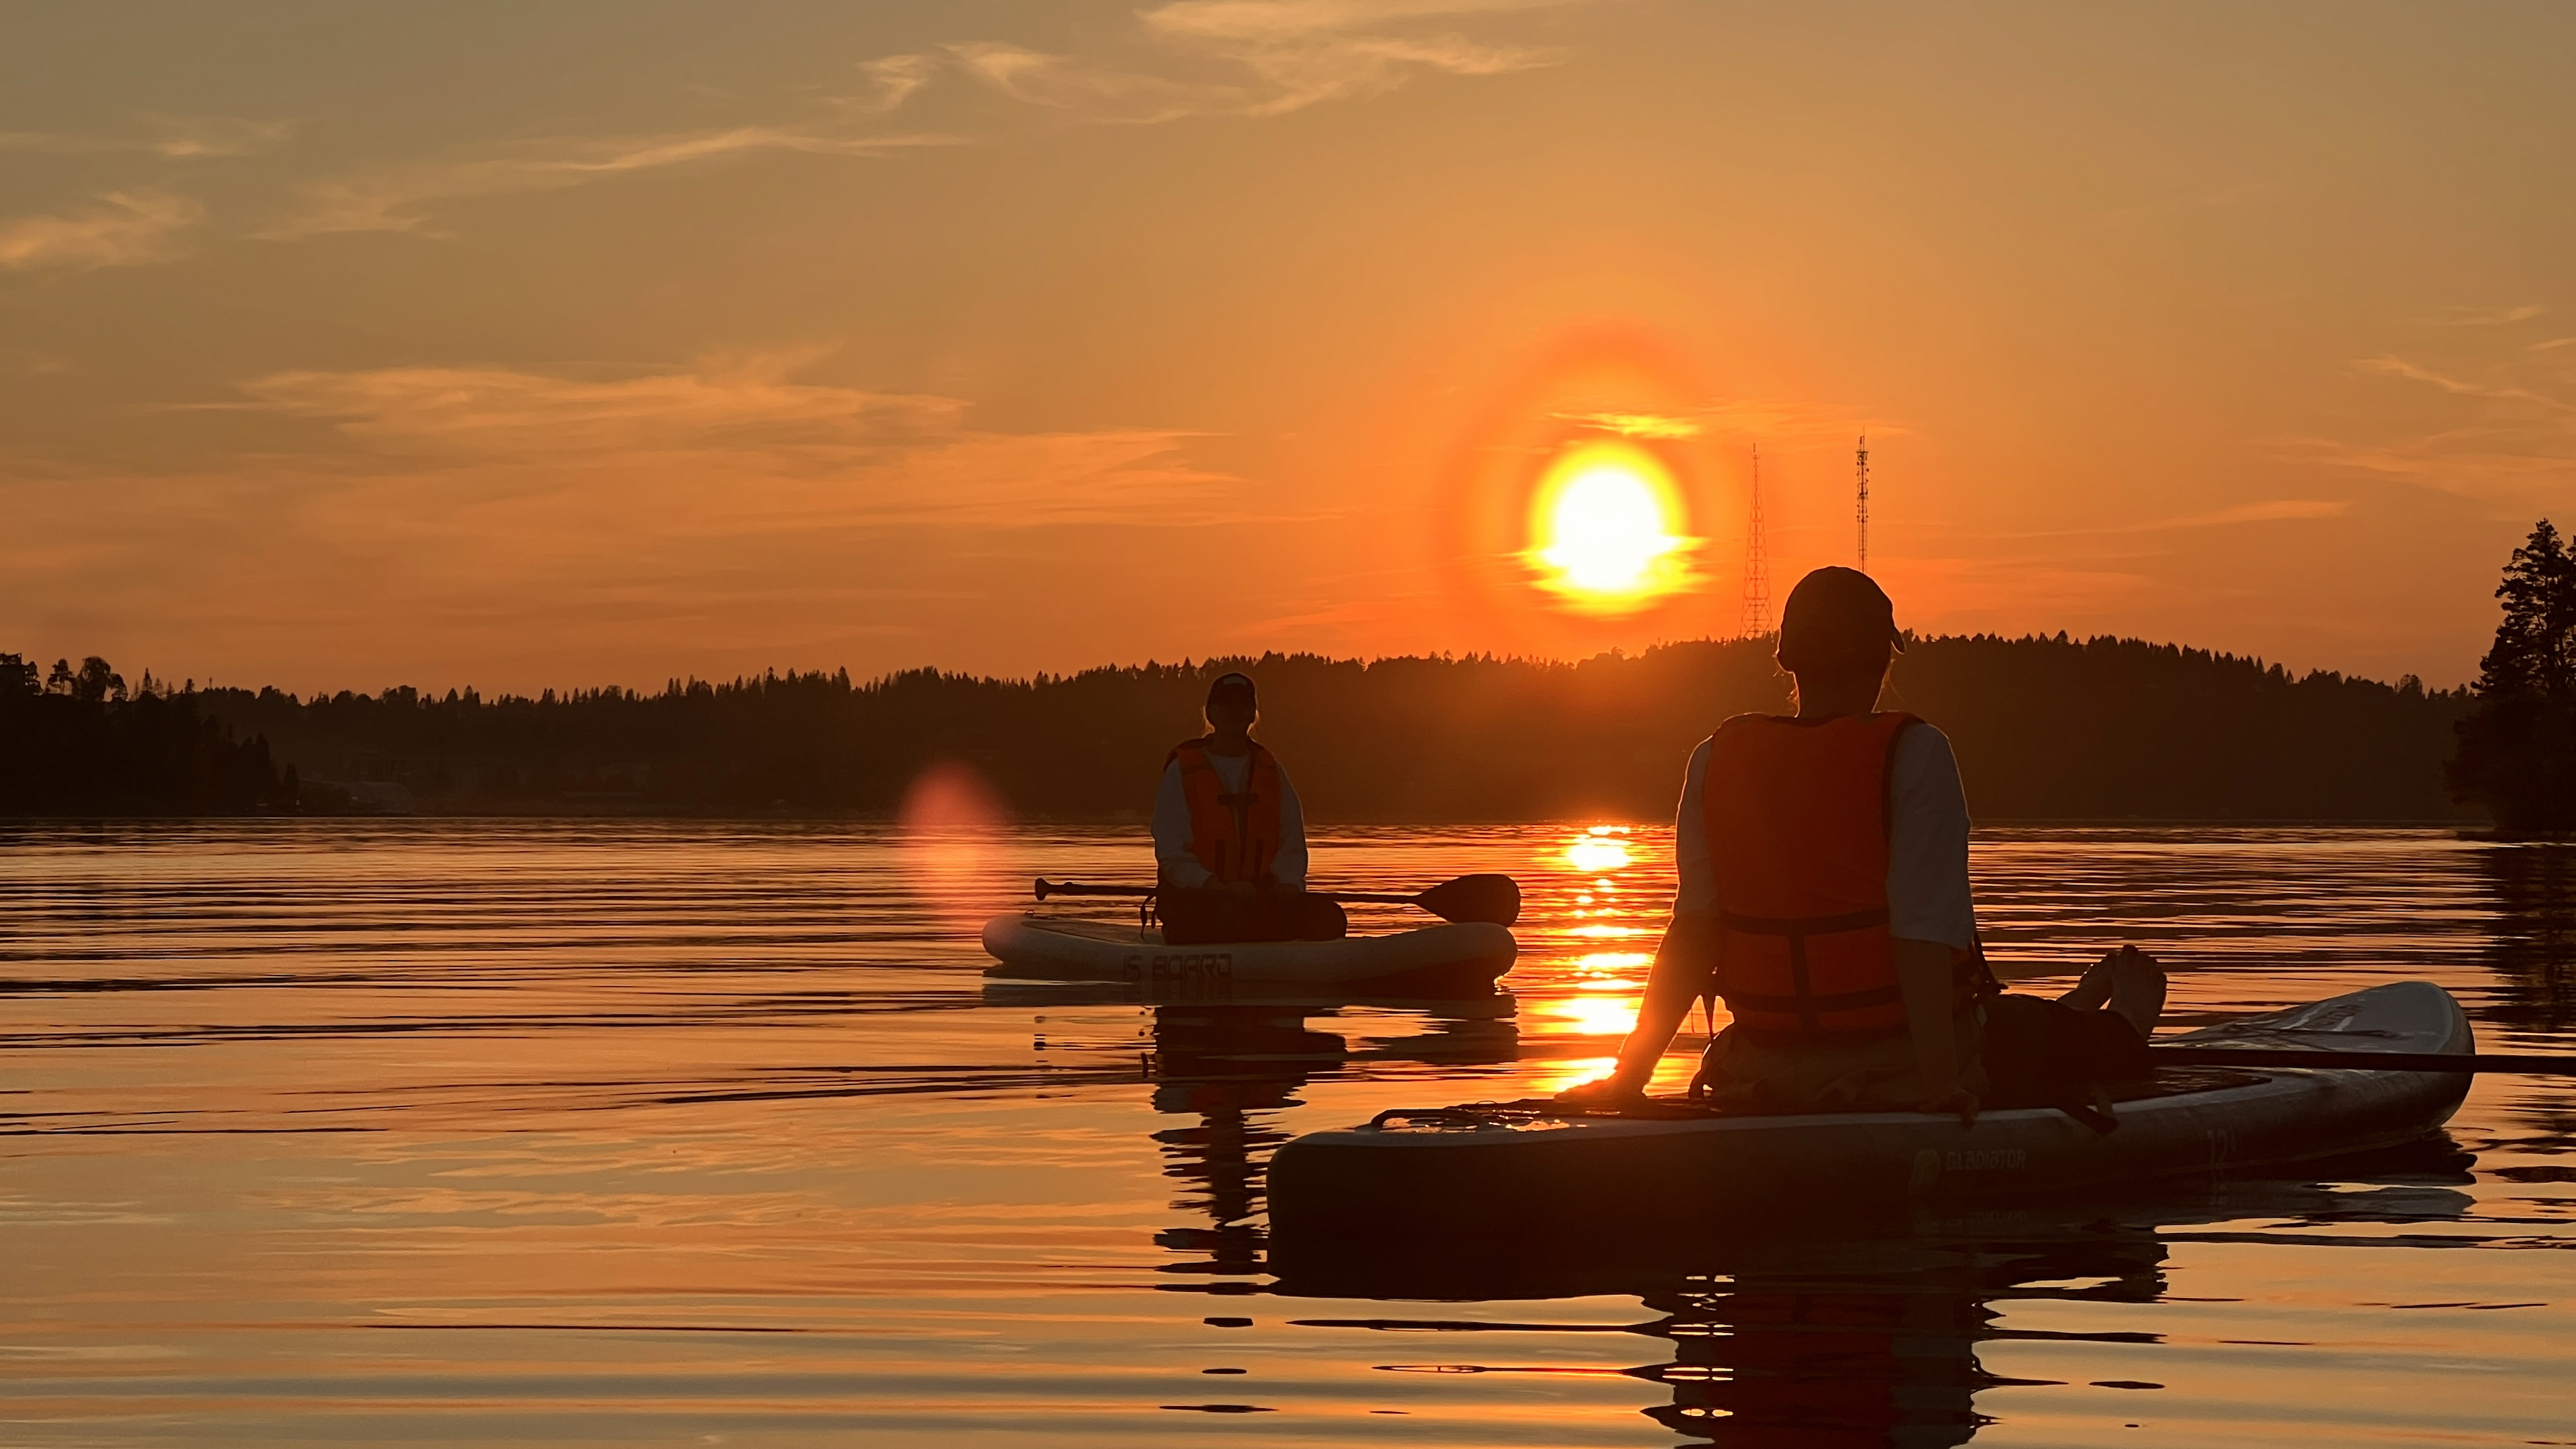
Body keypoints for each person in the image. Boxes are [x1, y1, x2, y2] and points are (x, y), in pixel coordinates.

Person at [1562, 567, 2162, 1120]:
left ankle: (2079, 1001)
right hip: (1901, 1062)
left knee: (2020, 1022)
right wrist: (1938, 1084)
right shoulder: (1916, 753)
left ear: (1786, 660)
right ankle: (2128, 1017)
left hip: (1766, 1062)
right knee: (2044, 1035)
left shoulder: (1714, 758)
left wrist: (1628, 1078)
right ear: (1883, 658)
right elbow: (1922, 935)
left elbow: (1692, 933)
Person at [1152, 672, 1348, 947]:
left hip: (1259, 900)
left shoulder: (1271, 772)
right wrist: (1215, 886)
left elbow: (1291, 844)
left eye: (1243, 705)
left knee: (1330, 917)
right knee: (1230, 919)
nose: (1235, 711)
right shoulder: (1181, 772)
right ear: (1211, 713)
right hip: (1201, 901)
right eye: (1226, 704)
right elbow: (1173, 855)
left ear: (1252, 714)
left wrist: (1287, 884)